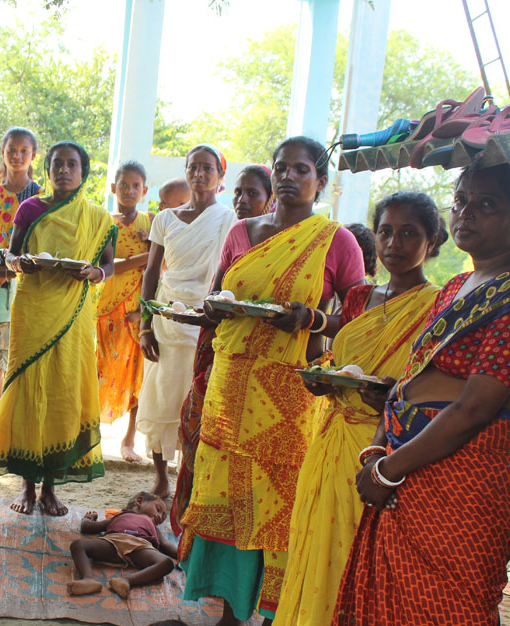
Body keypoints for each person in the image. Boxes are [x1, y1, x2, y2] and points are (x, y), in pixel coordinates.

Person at [335, 163, 510, 626]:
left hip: (464, 491)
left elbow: (474, 408)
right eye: (461, 200)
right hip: (408, 471)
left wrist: (386, 470)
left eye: (487, 205)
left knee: (448, 613)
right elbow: (413, 376)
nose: (466, 213)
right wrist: (381, 447)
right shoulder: (457, 288)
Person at [182, 136, 365, 625]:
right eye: (281, 168)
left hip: (288, 395)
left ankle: (270, 612)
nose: (288, 176)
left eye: (301, 170)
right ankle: (227, 609)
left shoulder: (335, 241)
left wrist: (314, 321)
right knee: (223, 491)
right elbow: (219, 294)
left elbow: (359, 315)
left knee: (277, 499)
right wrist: (213, 309)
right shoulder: (242, 231)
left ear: (320, 182)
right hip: (231, 382)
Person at [276, 192, 445, 626]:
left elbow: (437, 381)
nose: (395, 243)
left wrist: (396, 393)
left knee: (363, 552)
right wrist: (322, 379)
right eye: (386, 232)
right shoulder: (358, 298)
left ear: (433, 241)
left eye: (410, 234)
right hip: (332, 436)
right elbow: (337, 356)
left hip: (386, 448)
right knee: (319, 540)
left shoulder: (440, 307)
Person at [0, 141, 116, 516]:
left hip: (74, 313)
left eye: (71, 164)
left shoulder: (97, 218)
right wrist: (19, 264)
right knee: (28, 388)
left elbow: (109, 264)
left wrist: (95, 273)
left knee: (62, 391)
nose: (63, 170)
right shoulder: (30, 208)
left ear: (83, 171)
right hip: (33, 309)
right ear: (48, 170)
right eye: (57, 164)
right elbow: (11, 255)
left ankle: (51, 488)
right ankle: (26, 487)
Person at [170, 165, 272, 538]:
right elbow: (216, 295)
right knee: (199, 439)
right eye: (239, 193)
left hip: (269, 373)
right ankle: (193, 534)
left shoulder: (302, 244)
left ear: (270, 198)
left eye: (254, 194)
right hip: (222, 357)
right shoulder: (237, 234)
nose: (243, 201)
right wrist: (202, 313)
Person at [137, 145, 236, 498]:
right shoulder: (164, 219)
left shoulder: (229, 219)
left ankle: (189, 477)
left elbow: (228, 271)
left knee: (196, 398)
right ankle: (162, 478)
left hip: (204, 319)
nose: (199, 173)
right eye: (193, 167)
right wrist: (144, 325)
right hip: (165, 316)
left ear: (220, 176)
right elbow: (151, 273)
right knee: (162, 395)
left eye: (207, 168)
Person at [0, 127, 40, 400]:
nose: (17, 156)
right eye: (11, 150)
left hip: (25, 282)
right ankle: (1, 408)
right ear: (2, 153)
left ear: (34, 155)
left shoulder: (40, 197)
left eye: (24, 151)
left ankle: (14, 411)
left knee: (18, 351)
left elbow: (40, 246)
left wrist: (8, 272)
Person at [97, 160, 152, 463]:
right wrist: (149, 253)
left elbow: (162, 269)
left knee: (136, 377)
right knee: (100, 371)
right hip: (106, 308)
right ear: (113, 187)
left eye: (135, 186)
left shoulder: (151, 222)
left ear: (144, 191)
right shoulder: (104, 222)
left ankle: (129, 440)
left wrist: (145, 312)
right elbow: (108, 268)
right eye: (123, 185)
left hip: (137, 311)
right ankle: (88, 435)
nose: (129, 191)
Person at [68, 492, 176, 598]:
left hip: (140, 547)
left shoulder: (153, 526)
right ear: (139, 501)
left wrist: (183, 554)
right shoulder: (120, 516)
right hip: (113, 542)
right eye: (158, 509)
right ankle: (88, 579)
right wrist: (88, 519)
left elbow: (165, 544)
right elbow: (89, 527)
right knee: (78, 545)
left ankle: (126, 581)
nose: (160, 516)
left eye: (163, 516)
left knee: (166, 563)